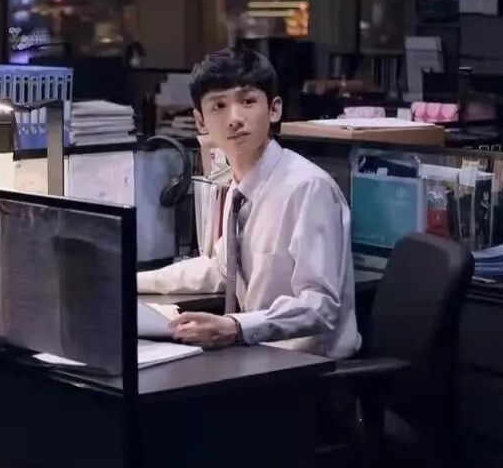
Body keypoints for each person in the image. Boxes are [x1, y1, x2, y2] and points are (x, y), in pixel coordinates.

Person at [138, 47, 360, 359]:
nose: (234, 119)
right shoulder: (239, 187)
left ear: (274, 109)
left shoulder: (307, 188)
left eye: (247, 102)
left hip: (310, 365)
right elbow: (220, 269)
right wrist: (131, 281)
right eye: (219, 106)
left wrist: (235, 327)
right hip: (260, 354)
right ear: (200, 121)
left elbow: (320, 306)